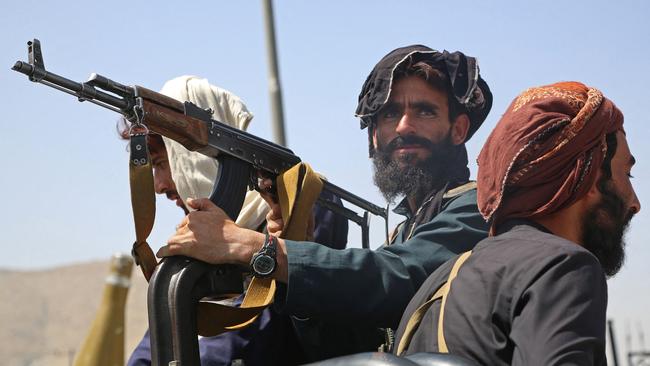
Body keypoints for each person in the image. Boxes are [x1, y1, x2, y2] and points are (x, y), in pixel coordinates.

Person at [157, 45, 493, 360]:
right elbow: (350, 346)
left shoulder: (477, 209)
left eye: (425, 111)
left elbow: (399, 274)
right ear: (374, 135)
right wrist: (296, 253)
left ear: (458, 129)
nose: (404, 126)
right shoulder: (408, 229)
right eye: (389, 114)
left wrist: (258, 248)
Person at [393, 81, 641, 365]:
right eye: (626, 175)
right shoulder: (563, 266)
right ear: (590, 175)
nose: (635, 203)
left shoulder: (437, 281)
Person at [123, 76, 348, 365]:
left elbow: (248, 326)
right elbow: (166, 327)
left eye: (162, 163)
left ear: (194, 157)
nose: (159, 185)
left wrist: (244, 245)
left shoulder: (305, 204)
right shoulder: (202, 237)